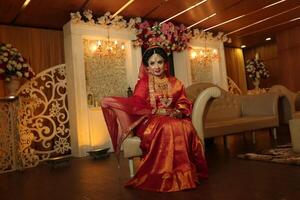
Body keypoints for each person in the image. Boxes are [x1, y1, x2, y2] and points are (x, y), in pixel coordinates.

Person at [101, 46, 208, 192]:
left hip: (172, 117)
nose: (156, 66)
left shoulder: (176, 82)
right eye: (152, 63)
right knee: (168, 126)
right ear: (147, 66)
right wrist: (157, 110)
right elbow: (137, 103)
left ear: (165, 64)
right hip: (150, 120)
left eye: (159, 62)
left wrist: (178, 111)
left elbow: (183, 101)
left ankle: (183, 175)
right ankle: (164, 176)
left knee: (186, 127)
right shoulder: (143, 83)